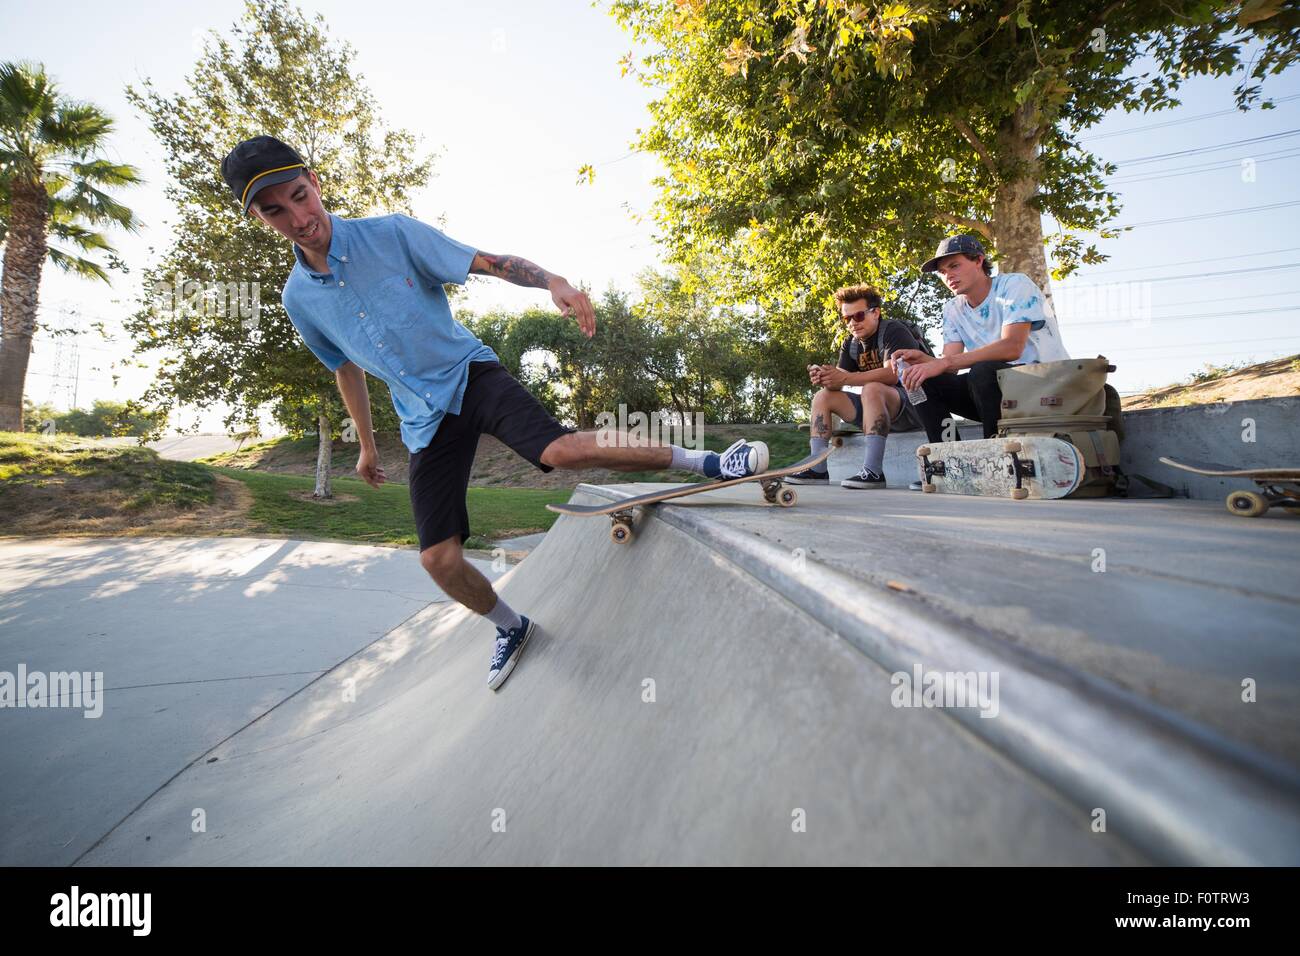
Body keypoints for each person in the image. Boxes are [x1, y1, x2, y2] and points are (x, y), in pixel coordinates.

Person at [220, 136, 770, 691]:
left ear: (315, 182)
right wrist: (365, 444)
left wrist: (552, 280)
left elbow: (488, 263)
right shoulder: (299, 299)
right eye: (275, 211)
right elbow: (345, 370)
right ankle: (512, 626)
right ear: (259, 218)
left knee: (558, 451)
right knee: (438, 561)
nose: (298, 218)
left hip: (470, 375)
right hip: (422, 419)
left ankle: (710, 463)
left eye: (300, 196)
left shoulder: (392, 234)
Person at [892, 235, 1070, 441]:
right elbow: (950, 365)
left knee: (983, 371)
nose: (948, 276)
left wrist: (944, 363)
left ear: (978, 260)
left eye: (954, 266)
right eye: (942, 272)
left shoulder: (1015, 284)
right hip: (994, 394)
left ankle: (996, 451)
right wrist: (923, 361)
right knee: (922, 380)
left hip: (1045, 388)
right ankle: (948, 453)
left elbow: (1012, 347)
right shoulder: (952, 308)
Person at [786, 284, 928, 489]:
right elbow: (840, 381)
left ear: (875, 313)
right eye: (847, 318)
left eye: (859, 316)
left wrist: (844, 378)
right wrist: (826, 377)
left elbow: (892, 374)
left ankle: (873, 472)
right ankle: (817, 468)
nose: (853, 323)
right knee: (823, 397)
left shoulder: (894, 331)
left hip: (916, 407)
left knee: (872, 388)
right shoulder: (851, 344)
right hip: (877, 408)